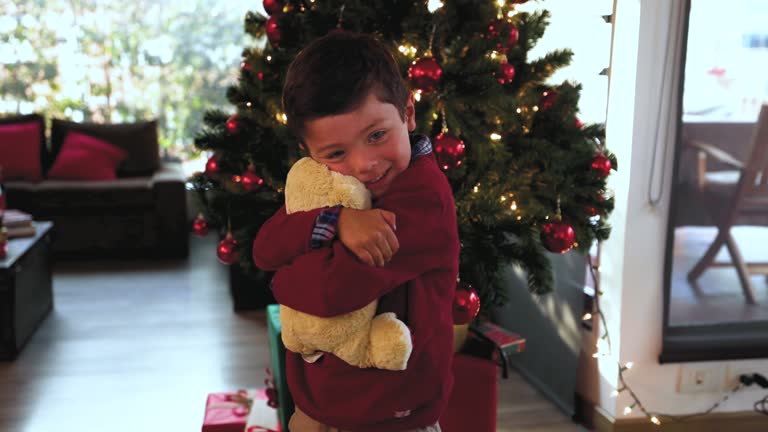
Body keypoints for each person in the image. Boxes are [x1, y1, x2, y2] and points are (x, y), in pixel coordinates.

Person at [252, 31, 459, 432]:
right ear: (311, 154)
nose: (365, 165)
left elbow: (331, 292)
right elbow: (263, 248)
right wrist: (332, 221)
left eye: (377, 135)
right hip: (318, 406)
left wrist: (281, 281)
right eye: (336, 153)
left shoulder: (422, 200)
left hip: (390, 415)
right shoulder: (327, 189)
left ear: (408, 113)